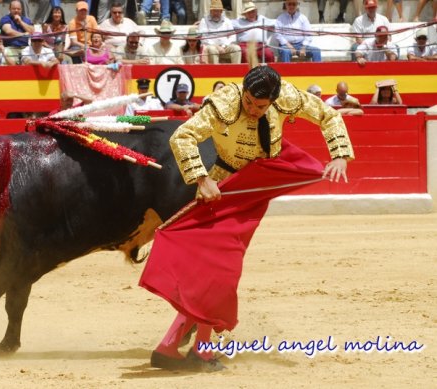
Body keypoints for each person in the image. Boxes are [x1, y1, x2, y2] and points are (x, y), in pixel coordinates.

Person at [139, 65, 354, 372]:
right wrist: (202, 179)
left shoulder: (287, 97)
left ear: (274, 101)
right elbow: (182, 136)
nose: (253, 109)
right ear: (244, 91)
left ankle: (179, 345)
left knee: (216, 269)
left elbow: (328, 114)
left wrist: (340, 154)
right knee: (217, 269)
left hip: (256, 186)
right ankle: (192, 348)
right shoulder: (225, 102)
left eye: (261, 106)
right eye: (250, 102)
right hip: (224, 187)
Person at [197, 0, 241, 64]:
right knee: (212, 49)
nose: (216, 13)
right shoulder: (204, 21)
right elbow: (203, 38)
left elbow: (233, 35)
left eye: (218, 11)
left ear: (221, 11)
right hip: (210, 47)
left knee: (237, 48)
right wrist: (216, 47)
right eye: (214, 11)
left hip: (225, 47)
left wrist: (224, 46)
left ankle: (237, 71)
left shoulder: (227, 21)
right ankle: (215, 72)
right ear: (210, 11)